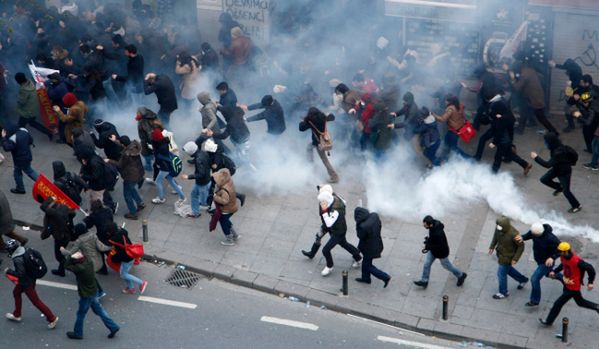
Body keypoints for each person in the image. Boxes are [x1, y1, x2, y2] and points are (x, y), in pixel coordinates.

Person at [539, 242, 598, 326]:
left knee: (557, 304)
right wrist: (554, 271)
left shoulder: (576, 261)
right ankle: (596, 307)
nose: (559, 253)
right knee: (580, 302)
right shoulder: (563, 257)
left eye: (560, 251)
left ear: (566, 251)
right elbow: (562, 265)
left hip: (573, 286)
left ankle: (548, 321)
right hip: (567, 283)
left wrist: (590, 282)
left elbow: (590, 268)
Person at [64, 251, 120, 339]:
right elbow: (85, 256)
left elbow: (66, 265)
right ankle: (113, 326)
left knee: (80, 314)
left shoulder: (79, 268)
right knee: (100, 311)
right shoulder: (89, 262)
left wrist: (70, 257)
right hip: (94, 291)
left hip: (86, 294)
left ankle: (78, 333)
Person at [4, 240, 59, 329]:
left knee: (36, 301)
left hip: (26, 283)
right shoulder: (24, 250)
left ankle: (52, 318)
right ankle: (17, 314)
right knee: (16, 293)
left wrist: (8, 271)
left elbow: (21, 274)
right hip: (31, 278)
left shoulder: (17, 259)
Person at [531, 133, 581, 213]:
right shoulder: (556, 147)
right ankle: (559, 187)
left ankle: (576, 206)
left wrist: (536, 158)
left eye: (546, 142)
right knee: (544, 179)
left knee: (566, 192)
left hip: (564, 173)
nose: (545, 143)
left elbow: (547, 164)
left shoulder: (558, 153)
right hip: (557, 169)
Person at [413, 215, 467, 288]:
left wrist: (429, 246)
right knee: (426, 264)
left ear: (430, 224)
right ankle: (424, 281)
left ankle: (461, 275)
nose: (424, 225)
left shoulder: (437, 234)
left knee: (448, 266)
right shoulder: (434, 224)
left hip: (441, 253)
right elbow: (433, 240)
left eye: (425, 224)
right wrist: (429, 241)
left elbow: (440, 246)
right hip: (433, 251)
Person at [318, 189, 361, 276]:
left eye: (322, 201)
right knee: (344, 244)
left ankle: (329, 266)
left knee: (325, 250)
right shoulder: (337, 198)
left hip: (338, 232)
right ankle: (358, 257)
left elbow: (329, 223)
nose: (321, 203)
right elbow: (344, 202)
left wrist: (324, 211)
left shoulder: (335, 210)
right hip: (340, 227)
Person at [508, 59, 559, 135]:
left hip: (535, 99)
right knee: (524, 111)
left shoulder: (524, 74)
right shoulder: (529, 70)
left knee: (540, 117)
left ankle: (554, 131)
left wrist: (512, 79)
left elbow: (517, 87)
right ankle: (523, 127)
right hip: (533, 97)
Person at [516, 223, 561, 306]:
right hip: (539, 259)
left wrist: (552, 257)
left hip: (546, 262)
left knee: (534, 279)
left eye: (535, 234)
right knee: (548, 274)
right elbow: (529, 234)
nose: (533, 235)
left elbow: (561, 249)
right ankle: (565, 279)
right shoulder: (535, 232)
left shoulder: (551, 238)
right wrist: (523, 237)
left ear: (540, 233)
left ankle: (535, 300)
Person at [487, 98, 532, 175]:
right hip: (507, 140)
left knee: (498, 157)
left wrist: (494, 143)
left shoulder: (501, 119)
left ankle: (493, 174)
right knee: (510, 155)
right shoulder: (508, 115)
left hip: (503, 141)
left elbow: (499, 132)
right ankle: (525, 164)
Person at [488, 216, 528, 299]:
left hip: (508, 257)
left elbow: (521, 247)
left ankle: (503, 292)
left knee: (501, 273)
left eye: (499, 226)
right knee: (508, 270)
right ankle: (522, 279)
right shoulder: (499, 228)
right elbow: (495, 236)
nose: (497, 227)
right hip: (501, 253)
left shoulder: (514, 234)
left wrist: (515, 259)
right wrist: (492, 246)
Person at [354, 207, 391, 287]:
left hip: (369, 248)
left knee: (368, 266)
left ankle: (385, 277)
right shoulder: (374, 216)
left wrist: (357, 225)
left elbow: (360, 236)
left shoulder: (362, 226)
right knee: (366, 263)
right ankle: (366, 278)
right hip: (377, 243)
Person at [299, 107, 338, 183]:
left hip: (318, 143)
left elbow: (301, 128)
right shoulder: (323, 117)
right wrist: (328, 113)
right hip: (322, 140)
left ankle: (334, 176)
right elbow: (332, 117)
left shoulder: (310, 121)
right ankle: (311, 164)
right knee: (309, 148)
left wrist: (302, 121)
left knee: (324, 160)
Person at [107, 223, 148, 294]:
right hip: (131, 254)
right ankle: (131, 288)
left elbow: (120, 254)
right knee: (124, 273)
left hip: (126, 258)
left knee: (123, 274)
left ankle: (141, 283)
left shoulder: (115, 240)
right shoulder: (123, 233)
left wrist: (113, 259)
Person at [40, 197, 75, 277]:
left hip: (60, 237)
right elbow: (73, 214)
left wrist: (51, 198)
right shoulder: (63, 207)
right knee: (61, 255)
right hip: (66, 235)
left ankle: (72, 267)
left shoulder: (53, 212)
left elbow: (43, 207)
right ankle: (61, 270)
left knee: (59, 256)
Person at [150, 128, 185, 205]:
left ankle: (161, 198)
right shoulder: (165, 141)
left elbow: (158, 159)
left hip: (164, 168)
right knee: (171, 181)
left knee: (158, 182)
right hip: (169, 166)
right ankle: (182, 196)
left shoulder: (158, 148)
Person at [14, 72, 53, 140]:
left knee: (20, 126)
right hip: (33, 109)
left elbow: (22, 102)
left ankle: (20, 140)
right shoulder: (30, 82)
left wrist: (17, 100)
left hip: (27, 112)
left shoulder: (24, 90)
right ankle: (48, 132)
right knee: (32, 123)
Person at [1, 125, 39, 194]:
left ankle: (20, 188)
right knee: (27, 170)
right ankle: (41, 183)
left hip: (19, 160)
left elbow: (7, 148)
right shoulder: (24, 131)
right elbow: (31, 140)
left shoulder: (13, 138)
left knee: (20, 173)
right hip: (28, 156)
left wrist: (3, 138)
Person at [115, 136, 145, 220]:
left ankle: (133, 213)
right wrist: (116, 141)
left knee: (127, 194)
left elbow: (119, 165)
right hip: (139, 173)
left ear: (123, 144)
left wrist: (109, 161)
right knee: (132, 189)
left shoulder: (126, 154)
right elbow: (124, 145)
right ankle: (140, 203)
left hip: (130, 176)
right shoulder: (134, 147)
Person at [433, 95, 471, 160]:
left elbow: (442, 119)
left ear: (450, 102)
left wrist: (433, 115)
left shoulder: (450, 109)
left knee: (454, 148)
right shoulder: (460, 105)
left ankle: (468, 158)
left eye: (446, 101)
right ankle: (445, 157)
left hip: (454, 131)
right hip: (457, 129)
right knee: (446, 142)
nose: (445, 102)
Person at [181, 141, 211, 218]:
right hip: (207, 179)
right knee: (197, 195)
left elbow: (201, 174)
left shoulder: (198, 160)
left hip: (202, 183)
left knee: (199, 198)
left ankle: (198, 211)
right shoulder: (203, 153)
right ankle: (198, 210)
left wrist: (188, 177)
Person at [212, 168, 240, 246]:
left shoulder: (224, 190)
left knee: (223, 222)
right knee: (226, 221)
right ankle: (235, 235)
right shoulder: (229, 181)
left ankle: (229, 239)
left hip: (227, 209)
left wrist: (215, 196)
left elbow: (224, 201)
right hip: (233, 206)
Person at [136, 106, 162, 171]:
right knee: (153, 153)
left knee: (146, 154)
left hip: (147, 141)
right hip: (155, 139)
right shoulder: (152, 116)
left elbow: (149, 132)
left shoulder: (143, 121)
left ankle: (149, 166)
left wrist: (151, 142)